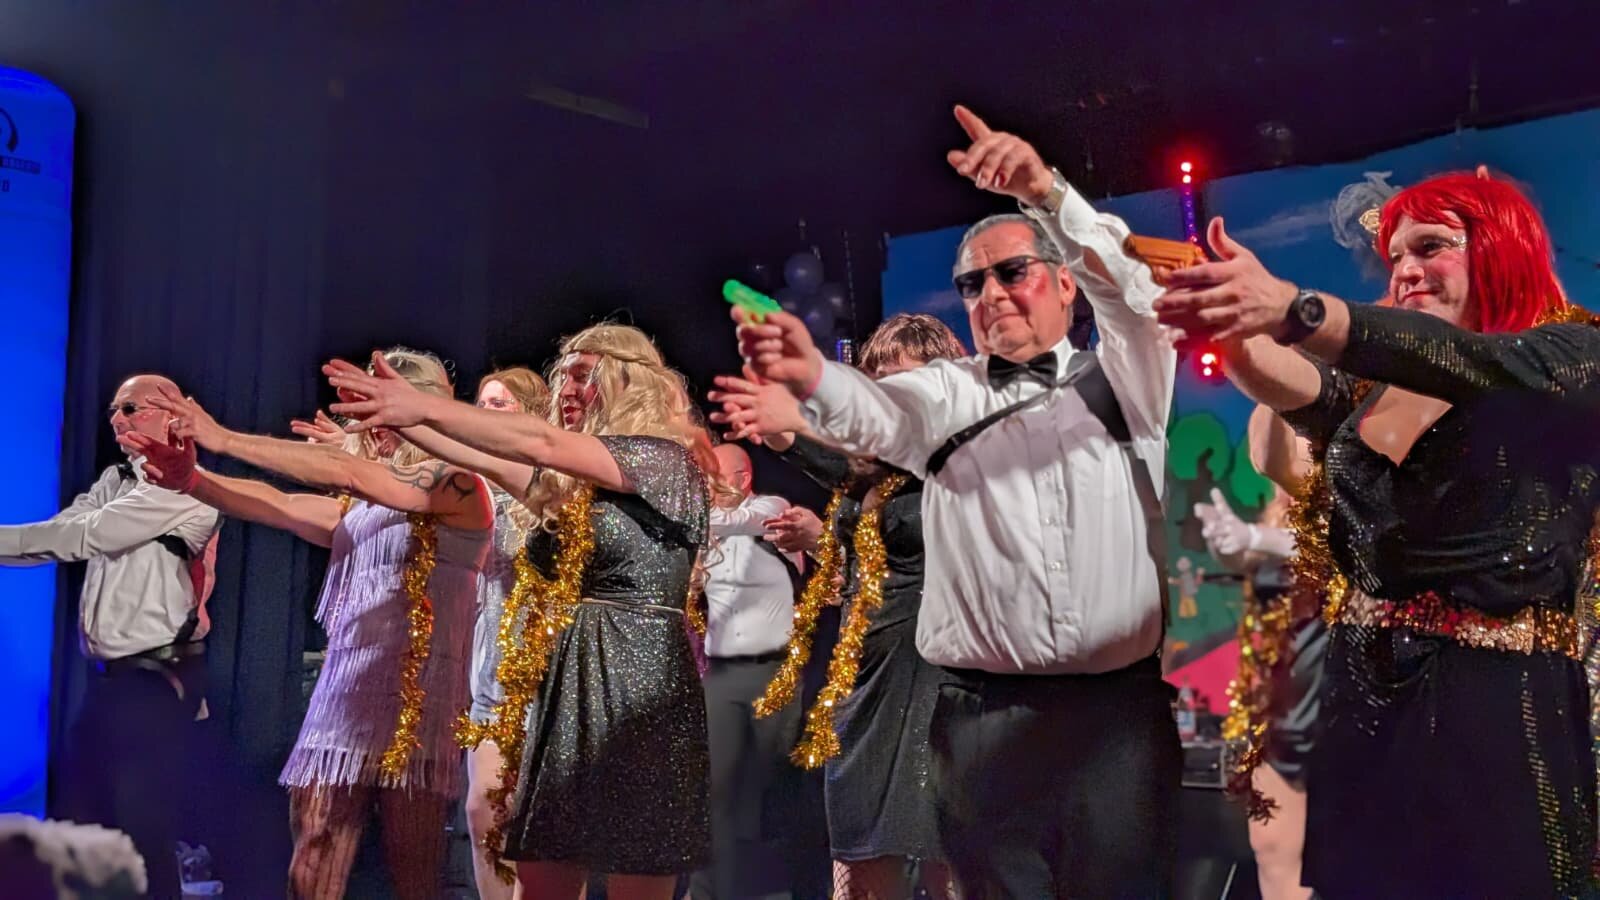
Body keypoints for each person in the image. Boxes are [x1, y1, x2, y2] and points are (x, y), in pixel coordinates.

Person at [733, 106, 1179, 898]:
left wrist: (1046, 193)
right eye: (973, 283)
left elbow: (1133, 298)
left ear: (1065, 283)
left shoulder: (1128, 380)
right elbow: (878, 411)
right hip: (980, 724)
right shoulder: (948, 394)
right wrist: (814, 377)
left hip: (1116, 724)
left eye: (1013, 272)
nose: (992, 294)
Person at [1152, 170, 1600, 897]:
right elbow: (1304, 389)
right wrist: (1231, 325)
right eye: (1394, 257)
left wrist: (1293, 309)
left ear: (1500, 246)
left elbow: (1470, 364)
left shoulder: (1570, 357)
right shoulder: (1384, 392)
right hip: (1363, 693)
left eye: (1431, 246)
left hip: (1497, 708)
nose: (1406, 270)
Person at [324, 323, 711, 900]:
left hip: (640, 683)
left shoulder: (664, 461)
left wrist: (420, 404)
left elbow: (541, 443)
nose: (567, 388)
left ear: (629, 380)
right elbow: (489, 458)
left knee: (635, 872)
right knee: (542, 874)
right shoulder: (577, 487)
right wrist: (405, 420)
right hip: (569, 679)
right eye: (564, 376)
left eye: (584, 374)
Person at [124, 350, 493, 900]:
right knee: (314, 847)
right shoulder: (362, 506)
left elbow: (348, 470)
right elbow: (279, 503)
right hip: (346, 691)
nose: (368, 428)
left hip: (418, 698)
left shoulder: (456, 483)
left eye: (377, 411)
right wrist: (192, 478)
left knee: (414, 866)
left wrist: (221, 437)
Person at [713, 313, 965, 900]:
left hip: (936, 677)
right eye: (879, 380)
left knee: (947, 856)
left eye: (905, 379)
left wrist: (792, 431)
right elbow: (851, 483)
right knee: (860, 860)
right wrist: (779, 435)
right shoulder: (869, 467)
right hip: (864, 677)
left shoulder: (959, 456)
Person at [0, 373, 221, 899]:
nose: (117, 420)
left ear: (172, 415)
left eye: (131, 409)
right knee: (86, 819)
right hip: (113, 678)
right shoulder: (116, 479)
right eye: (113, 411)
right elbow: (66, 529)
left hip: (158, 675)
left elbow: (84, 535)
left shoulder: (187, 488)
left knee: (141, 825)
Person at [689, 442, 825, 900]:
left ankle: (774, 891)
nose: (706, 483)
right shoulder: (709, 534)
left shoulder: (770, 508)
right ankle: (710, 891)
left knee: (770, 789)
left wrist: (688, 511)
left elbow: (739, 521)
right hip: (722, 673)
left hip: (773, 673)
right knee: (717, 790)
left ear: (743, 478)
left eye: (714, 474)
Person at [1194, 406, 1317, 900]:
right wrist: (1233, 544)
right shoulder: (1276, 513)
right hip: (1274, 699)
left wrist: (1253, 539)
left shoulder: (1353, 507)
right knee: (1270, 846)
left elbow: (1325, 549)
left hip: (1328, 691)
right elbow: (1260, 558)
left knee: (1303, 851)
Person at [461, 367, 550, 900]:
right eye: (483, 403)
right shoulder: (471, 482)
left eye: (502, 403)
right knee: (482, 811)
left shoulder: (549, 479)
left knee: (536, 827)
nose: (488, 412)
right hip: (493, 668)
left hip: (543, 672)